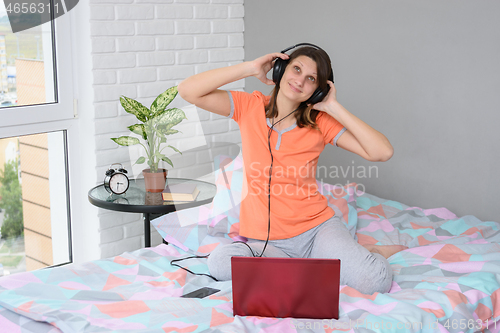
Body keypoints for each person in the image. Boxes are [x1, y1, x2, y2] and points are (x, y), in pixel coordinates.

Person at [178, 45, 407, 294]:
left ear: (317, 90)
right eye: (296, 69)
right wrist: (251, 68)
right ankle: (312, 268)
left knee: (375, 281)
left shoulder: (320, 122)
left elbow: (382, 152)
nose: (299, 81)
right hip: (268, 244)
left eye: (311, 79)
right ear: (280, 69)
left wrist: (332, 106)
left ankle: (367, 253)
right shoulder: (249, 106)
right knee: (219, 263)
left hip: (317, 231)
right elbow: (188, 91)